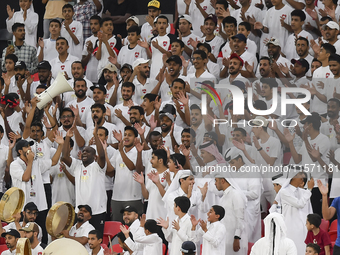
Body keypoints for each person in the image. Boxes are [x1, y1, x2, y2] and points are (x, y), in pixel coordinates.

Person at [214, 173, 247, 255]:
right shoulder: (223, 198)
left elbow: (240, 218)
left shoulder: (236, 195)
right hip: (225, 239)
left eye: (216, 180)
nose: (215, 183)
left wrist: (237, 237)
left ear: (223, 180)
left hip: (235, 240)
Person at [81, 15, 101, 84]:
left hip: (100, 76)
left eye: (95, 24)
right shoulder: (88, 40)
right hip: (89, 77)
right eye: (91, 24)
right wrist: (89, 53)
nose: (93, 26)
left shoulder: (105, 39)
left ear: (100, 25)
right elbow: (83, 63)